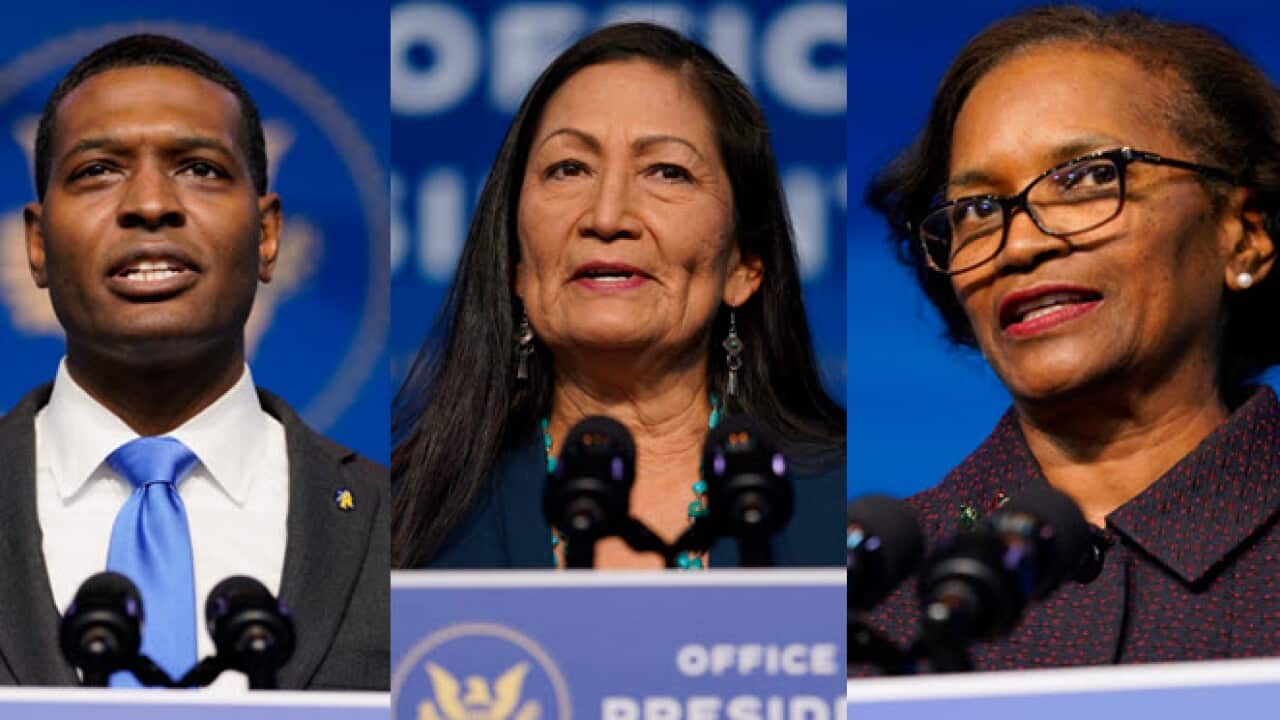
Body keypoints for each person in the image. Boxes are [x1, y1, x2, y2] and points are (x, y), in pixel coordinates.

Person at [858, 5, 1280, 671]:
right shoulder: (862, 593)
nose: (1018, 243)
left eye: (1086, 177)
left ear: (1245, 234)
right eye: (974, 209)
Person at [0, 34, 387, 689]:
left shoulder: (397, 520)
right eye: (98, 170)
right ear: (37, 244)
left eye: (199, 168)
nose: (151, 204)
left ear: (267, 236)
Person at [392, 22, 846, 570]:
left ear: (744, 266)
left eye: (667, 172)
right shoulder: (402, 513)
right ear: (516, 262)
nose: (607, 217)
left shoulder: (840, 508)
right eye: (569, 169)